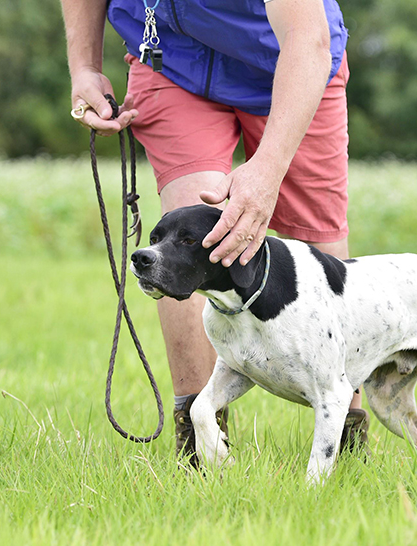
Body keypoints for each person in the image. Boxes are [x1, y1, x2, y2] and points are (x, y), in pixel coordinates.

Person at [61, 0, 368, 464]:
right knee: (186, 238)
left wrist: (266, 172)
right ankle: (199, 449)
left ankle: (347, 446)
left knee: (321, 247)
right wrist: (84, 66)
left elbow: (308, 40)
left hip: (289, 59)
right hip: (172, 61)